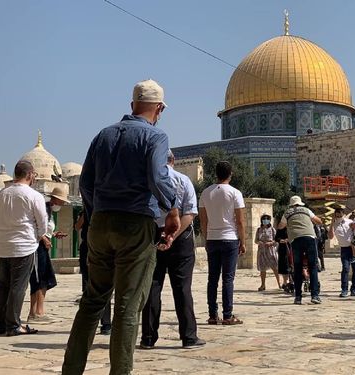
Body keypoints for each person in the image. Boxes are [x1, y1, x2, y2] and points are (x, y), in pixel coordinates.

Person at [63, 79, 179, 375]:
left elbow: (86, 183)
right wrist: (172, 209)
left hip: (100, 224)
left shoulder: (103, 135)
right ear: (160, 108)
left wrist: (95, 215)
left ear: (131, 105)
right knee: (127, 306)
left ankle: (72, 370)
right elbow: (156, 176)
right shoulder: (155, 137)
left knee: (92, 301)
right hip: (135, 225)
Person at [140, 150, 205, 349]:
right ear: (173, 161)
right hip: (181, 238)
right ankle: (189, 337)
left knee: (152, 287)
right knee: (182, 288)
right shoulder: (184, 180)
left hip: (153, 236)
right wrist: (172, 236)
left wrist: (161, 235)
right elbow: (190, 213)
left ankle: (148, 338)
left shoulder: (147, 181)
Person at [0, 160, 48, 336]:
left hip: (2, 246)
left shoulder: (2, 194)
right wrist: (39, 236)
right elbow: (43, 224)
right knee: (18, 287)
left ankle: (1, 323)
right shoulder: (34, 196)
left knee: (3, 286)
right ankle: (13, 325)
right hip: (23, 247)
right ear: (30, 174)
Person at [199, 161, 246, 325]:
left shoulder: (206, 193)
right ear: (230, 174)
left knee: (212, 278)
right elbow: (240, 221)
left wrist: (206, 239)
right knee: (228, 278)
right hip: (230, 238)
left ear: (216, 174)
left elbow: (203, 221)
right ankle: (228, 314)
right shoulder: (235, 193)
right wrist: (243, 241)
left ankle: (213, 314)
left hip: (212, 238)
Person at [27, 187, 69, 323]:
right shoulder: (43, 209)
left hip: (43, 247)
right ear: (55, 199)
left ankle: (39, 311)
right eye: (61, 201)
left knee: (45, 278)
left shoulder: (49, 211)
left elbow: (46, 229)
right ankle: (34, 313)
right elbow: (35, 227)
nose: (62, 205)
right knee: (38, 279)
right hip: (38, 247)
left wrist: (54, 234)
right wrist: (44, 238)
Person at [278, 195, 323, 305]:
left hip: (295, 239)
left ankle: (298, 297)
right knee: (312, 266)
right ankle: (315, 296)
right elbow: (318, 221)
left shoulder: (287, 213)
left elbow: (280, 226)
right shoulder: (307, 210)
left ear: (291, 204)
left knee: (297, 268)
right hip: (309, 238)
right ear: (300, 203)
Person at [75, 210, 111, 335]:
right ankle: (89, 322)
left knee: (104, 284)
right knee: (87, 286)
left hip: (101, 246)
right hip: (88, 245)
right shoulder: (86, 210)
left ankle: (106, 323)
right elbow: (77, 226)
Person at [329, 207, 355, 298]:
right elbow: (330, 236)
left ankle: (354, 289)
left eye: (340, 215)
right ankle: (344, 289)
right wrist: (332, 222)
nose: (339, 217)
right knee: (345, 269)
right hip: (344, 249)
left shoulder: (349, 222)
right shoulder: (334, 224)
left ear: (343, 214)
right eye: (337, 216)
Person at [255, 214, 280, 291]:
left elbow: (276, 240)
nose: (265, 220)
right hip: (262, 251)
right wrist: (259, 242)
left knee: (275, 267)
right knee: (262, 268)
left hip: (270, 250)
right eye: (264, 219)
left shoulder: (272, 229)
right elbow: (256, 240)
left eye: (267, 219)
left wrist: (271, 243)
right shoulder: (259, 230)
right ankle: (263, 285)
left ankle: (280, 284)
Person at [274, 223, 292, 293]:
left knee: (292, 265)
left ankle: (292, 281)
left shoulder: (293, 228)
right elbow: (276, 238)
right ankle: (285, 282)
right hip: (283, 250)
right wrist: (282, 240)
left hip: (292, 248)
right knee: (284, 266)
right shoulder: (280, 229)